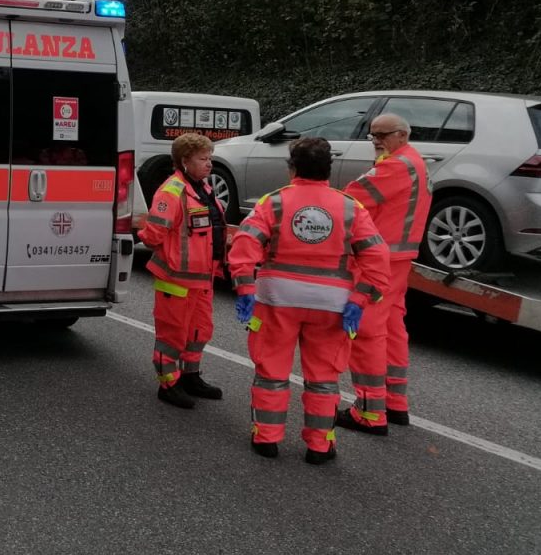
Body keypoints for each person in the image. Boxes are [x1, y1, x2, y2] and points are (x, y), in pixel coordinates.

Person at [228, 137, 390, 464]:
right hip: (331, 306)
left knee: (272, 372)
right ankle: (320, 444)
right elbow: (378, 260)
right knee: (323, 378)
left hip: (277, 300)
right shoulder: (350, 207)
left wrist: (245, 289)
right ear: (329, 169)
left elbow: (244, 249)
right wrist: (359, 299)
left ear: (292, 168)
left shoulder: (273, 203)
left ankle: (267, 438)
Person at [336, 114, 432, 434]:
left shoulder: (394, 166)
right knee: (391, 328)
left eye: (383, 134)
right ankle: (395, 403)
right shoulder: (412, 161)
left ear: (402, 135)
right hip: (398, 258)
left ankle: (368, 410)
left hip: (380, 258)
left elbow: (352, 198)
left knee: (366, 331)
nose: (376, 140)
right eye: (372, 135)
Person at [138, 133, 227, 409]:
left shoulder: (203, 188)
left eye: (210, 158)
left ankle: (191, 376)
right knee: (172, 334)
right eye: (203, 159)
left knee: (199, 331)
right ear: (185, 161)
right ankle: (168, 384)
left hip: (202, 278)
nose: (209, 164)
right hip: (176, 278)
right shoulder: (172, 191)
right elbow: (153, 235)